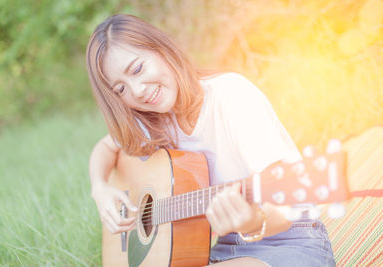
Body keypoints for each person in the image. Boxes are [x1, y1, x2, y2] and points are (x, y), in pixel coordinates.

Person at [86, 14, 336, 266]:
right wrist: (100, 188)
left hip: (289, 240)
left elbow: (286, 207)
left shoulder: (232, 96)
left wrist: (251, 221)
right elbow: (106, 147)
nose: (137, 90)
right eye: (121, 89)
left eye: (138, 69)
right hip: (225, 250)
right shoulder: (153, 120)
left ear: (161, 49)